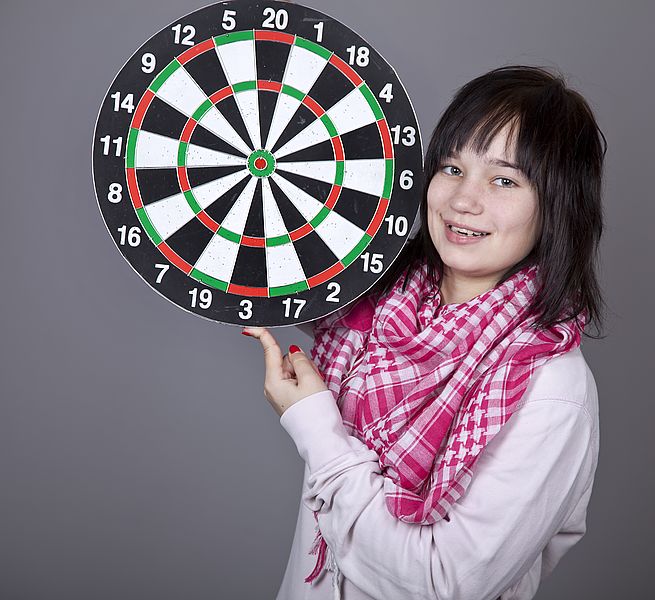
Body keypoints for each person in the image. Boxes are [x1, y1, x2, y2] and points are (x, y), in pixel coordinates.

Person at [243, 65, 606, 600]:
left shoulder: (552, 390)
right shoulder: (372, 313)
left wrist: (316, 425)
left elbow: (440, 586)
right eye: (451, 167)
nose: (463, 200)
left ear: (557, 205)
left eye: (504, 180)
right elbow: (284, 229)